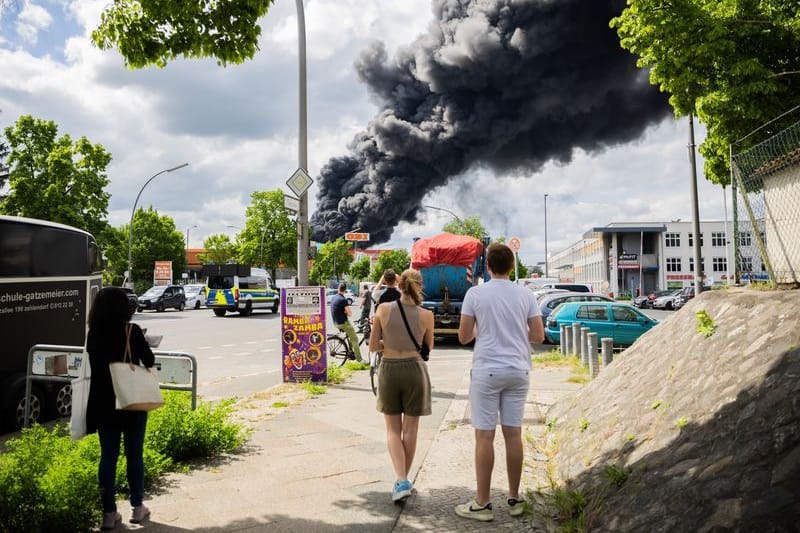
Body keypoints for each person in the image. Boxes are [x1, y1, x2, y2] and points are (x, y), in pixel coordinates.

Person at [455, 243, 545, 522]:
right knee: (513, 434)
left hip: (487, 371)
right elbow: (539, 336)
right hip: (518, 370)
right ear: (510, 265)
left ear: (489, 266)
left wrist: (483, 327)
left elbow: (463, 337)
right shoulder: (526, 294)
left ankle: (482, 503)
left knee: (485, 435)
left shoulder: (475, 293)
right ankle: (515, 498)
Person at [86, 287, 156, 530]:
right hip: (130, 401)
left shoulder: (93, 333)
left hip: (103, 403)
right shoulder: (131, 330)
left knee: (108, 457)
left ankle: (108, 513)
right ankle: (137, 508)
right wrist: (141, 343)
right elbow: (149, 361)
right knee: (134, 454)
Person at [369, 269, 434, 503]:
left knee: (392, 430)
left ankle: (401, 479)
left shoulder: (383, 310)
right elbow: (428, 347)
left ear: (400, 284)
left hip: (389, 369)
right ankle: (404, 479)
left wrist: (389, 343)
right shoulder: (427, 314)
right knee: (411, 429)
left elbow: (373, 345)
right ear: (419, 286)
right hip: (415, 371)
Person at [330, 282, 362, 361]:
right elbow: (350, 313)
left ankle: (350, 351)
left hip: (336, 322)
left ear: (338, 289)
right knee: (355, 339)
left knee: (351, 335)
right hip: (343, 323)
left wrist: (344, 312)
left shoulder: (334, 297)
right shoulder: (343, 300)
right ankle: (359, 359)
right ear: (345, 291)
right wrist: (345, 312)